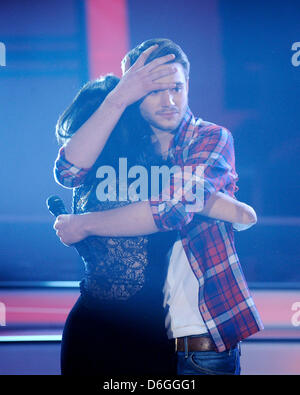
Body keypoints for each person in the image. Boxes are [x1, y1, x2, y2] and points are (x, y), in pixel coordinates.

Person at [54, 39, 263, 375]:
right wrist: (119, 97)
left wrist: (85, 224)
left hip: (193, 337)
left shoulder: (208, 138)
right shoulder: (123, 141)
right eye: (153, 91)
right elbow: (67, 172)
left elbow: (173, 210)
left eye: (177, 88)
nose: (169, 102)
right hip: (103, 325)